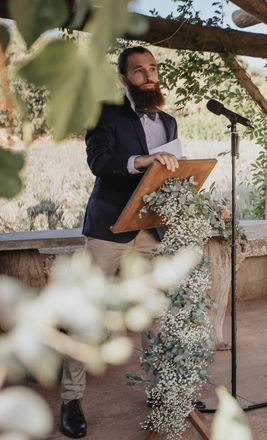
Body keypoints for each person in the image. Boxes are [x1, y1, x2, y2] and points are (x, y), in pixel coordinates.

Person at [59, 46, 179, 438]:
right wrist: (141, 161)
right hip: (109, 228)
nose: (147, 75)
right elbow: (99, 161)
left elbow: (167, 174)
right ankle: (71, 400)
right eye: (138, 70)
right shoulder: (105, 111)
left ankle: (161, 390)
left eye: (152, 68)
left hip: (150, 230)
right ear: (125, 77)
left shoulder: (169, 122)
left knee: (155, 313)